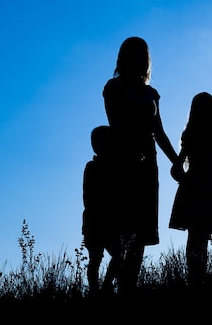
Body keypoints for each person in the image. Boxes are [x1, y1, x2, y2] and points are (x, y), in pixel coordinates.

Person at [103, 36, 180, 293]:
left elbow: (160, 132)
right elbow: (116, 124)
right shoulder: (113, 88)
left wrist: (177, 161)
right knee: (123, 229)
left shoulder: (151, 94)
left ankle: (127, 287)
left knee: (140, 233)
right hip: (124, 163)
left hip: (149, 165)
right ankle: (109, 285)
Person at [168, 92, 212, 287]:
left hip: (196, 186)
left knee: (196, 234)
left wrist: (185, 181)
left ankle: (195, 277)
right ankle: (197, 277)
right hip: (208, 187)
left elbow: (176, 167)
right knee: (200, 235)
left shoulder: (191, 134)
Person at [81, 125, 123, 295]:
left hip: (103, 220)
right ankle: (96, 290)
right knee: (96, 259)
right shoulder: (93, 167)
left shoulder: (112, 167)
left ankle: (104, 287)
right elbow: (89, 196)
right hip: (97, 220)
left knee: (116, 255)